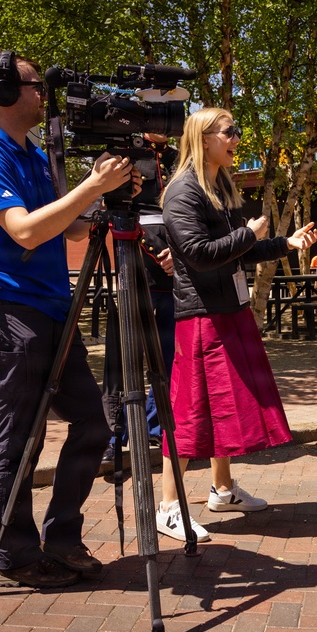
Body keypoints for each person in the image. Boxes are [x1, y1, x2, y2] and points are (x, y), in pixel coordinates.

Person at [0, 51, 141, 588]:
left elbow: (71, 231)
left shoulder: (35, 155)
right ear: (5, 91)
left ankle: (61, 539)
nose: (46, 95)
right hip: (9, 312)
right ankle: (16, 555)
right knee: (20, 440)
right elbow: (25, 231)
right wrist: (90, 188)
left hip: (51, 310)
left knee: (93, 421)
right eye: (37, 86)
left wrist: (104, 198)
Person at [157, 108, 317, 542]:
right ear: (203, 137)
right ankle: (169, 506)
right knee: (191, 411)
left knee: (222, 407)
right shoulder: (182, 191)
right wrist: (246, 234)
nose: (236, 138)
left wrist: (285, 243)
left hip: (227, 310)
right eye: (230, 132)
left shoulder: (218, 186)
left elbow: (235, 254)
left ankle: (223, 490)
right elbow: (198, 253)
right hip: (201, 315)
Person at [102, 132, 179, 469]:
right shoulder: (122, 152)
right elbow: (113, 207)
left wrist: (177, 251)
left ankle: (159, 427)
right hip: (135, 264)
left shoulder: (179, 156)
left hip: (174, 273)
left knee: (167, 357)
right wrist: (152, 248)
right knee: (123, 358)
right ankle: (113, 435)